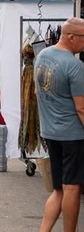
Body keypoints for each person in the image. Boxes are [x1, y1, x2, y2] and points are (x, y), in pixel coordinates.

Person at [34, 18, 84, 232]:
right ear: (71, 37)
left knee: (58, 189)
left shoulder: (43, 55)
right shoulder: (75, 65)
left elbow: (39, 92)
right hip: (72, 134)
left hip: (50, 131)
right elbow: (81, 108)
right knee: (71, 187)